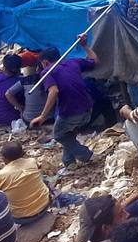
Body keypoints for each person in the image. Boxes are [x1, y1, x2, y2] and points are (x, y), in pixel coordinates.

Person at [30, 36, 97, 168]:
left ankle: (84, 154)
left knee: (59, 135)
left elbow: (53, 91)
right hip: (88, 107)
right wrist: (85, 46)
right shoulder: (72, 62)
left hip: (71, 111)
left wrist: (43, 116)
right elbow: (94, 60)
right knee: (68, 132)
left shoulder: (47, 71)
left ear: (44, 62)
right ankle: (69, 162)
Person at [0, 144, 51, 224]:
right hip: (45, 205)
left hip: (22, 218)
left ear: (5, 158)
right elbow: (40, 167)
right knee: (40, 177)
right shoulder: (31, 161)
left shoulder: (0, 175)